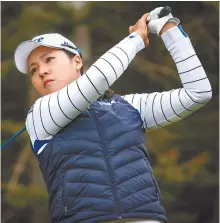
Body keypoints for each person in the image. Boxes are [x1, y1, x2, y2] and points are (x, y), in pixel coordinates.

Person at [13, 7, 212, 223]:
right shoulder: (40, 114)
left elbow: (198, 93)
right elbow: (96, 81)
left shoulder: (128, 105)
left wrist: (168, 29)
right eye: (33, 69)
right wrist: (136, 38)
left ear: (77, 61)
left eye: (48, 59)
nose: (41, 71)